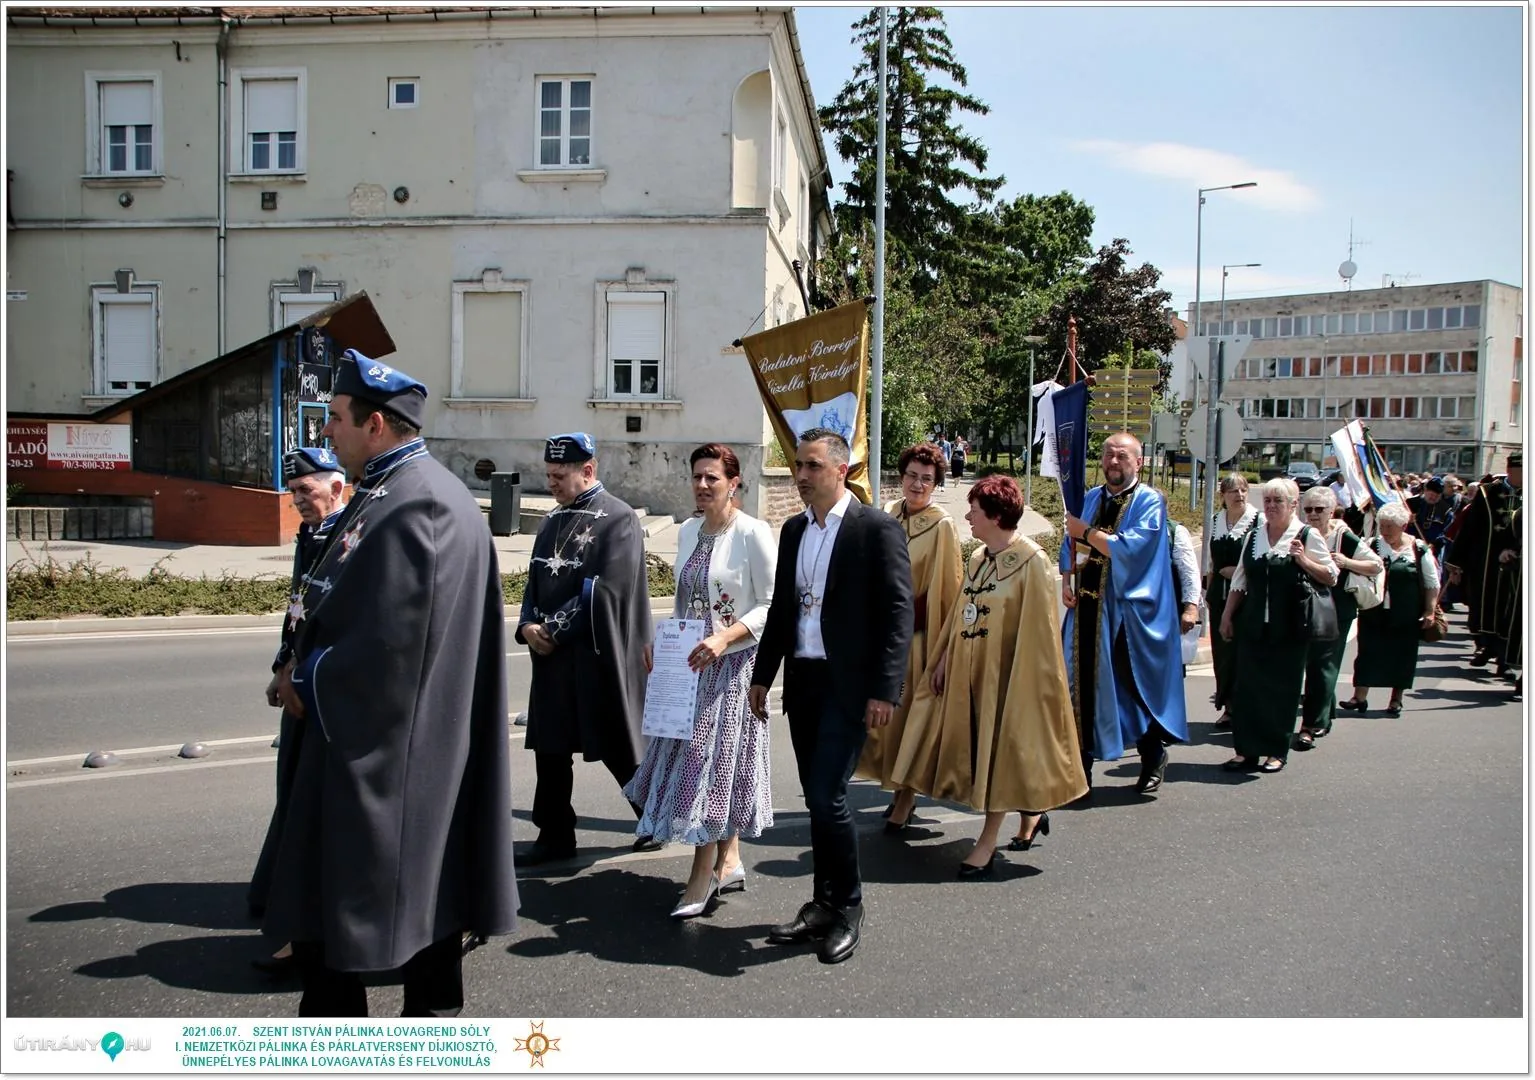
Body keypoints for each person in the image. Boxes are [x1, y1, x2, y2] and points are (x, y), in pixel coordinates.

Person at [265, 350, 518, 1016]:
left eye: (337, 420)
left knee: (389, 926)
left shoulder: (420, 504)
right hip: (374, 749)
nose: (327, 435)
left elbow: (393, 650)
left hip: (391, 761)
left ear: (376, 424)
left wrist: (309, 676)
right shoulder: (388, 491)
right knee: (404, 925)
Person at [748, 428, 914, 965]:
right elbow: (782, 609)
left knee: (828, 796)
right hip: (805, 683)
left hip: (849, 686)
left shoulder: (876, 529)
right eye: (797, 465)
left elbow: (897, 614)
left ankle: (848, 908)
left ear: (841, 471)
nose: (800, 476)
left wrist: (885, 689)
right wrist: (762, 675)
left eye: (812, 466)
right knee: (817, 799)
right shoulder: (795, 530)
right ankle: (822, 902)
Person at [892, 474, 1086, 876]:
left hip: (1008, 679)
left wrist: (1021, 689)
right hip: (969, 677)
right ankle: (1031, 813)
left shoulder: (1032, 563)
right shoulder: (979, 558)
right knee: (983, 752)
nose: (969, 517)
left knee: (1000, 751)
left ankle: (987, 841)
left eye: (976, 512)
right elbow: (960, 614)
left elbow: (1038, 638)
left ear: (996, 517)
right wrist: (943, 660)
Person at [624, 444, 776, 918]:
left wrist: (724, 637)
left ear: (734, 483)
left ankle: (700, 876)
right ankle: (728, 860)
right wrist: (662, 641)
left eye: (712, 477)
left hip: (732, 668)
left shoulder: (753, 533)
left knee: (709, 767)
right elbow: (684, 601)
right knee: (710, 764)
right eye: (696, 477)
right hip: (689, 664)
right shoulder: (689, 530)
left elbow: (772, 605)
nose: (702, 485)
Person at [518, 433, 654, 864]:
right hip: (553, 659)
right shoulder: (550, 522)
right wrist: (525, 626)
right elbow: (533, 583)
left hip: (598, 655)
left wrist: (553, 630)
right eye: (549, 474)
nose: (552, 483)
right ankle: (555, 834)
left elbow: (608, 592)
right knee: (551, 749)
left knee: (617, 743)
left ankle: (654, 817)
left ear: (588, 471)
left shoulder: (619, 519)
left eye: (560, 475)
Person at [248, 446, 347, 977]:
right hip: (299, 680)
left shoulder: (349, 537)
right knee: (292, 792)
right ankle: (283, 899)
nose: (298, 501)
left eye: (306, 492)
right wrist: (281, 664)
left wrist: (300, 673)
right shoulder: (311, 537)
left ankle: (304, 922)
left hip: (323, 689)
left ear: (336, 489)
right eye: (293, 493)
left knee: (313, 803)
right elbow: (298, 609)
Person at [1060, 432, 1189, 795]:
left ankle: (1152, 754)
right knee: (1078, 688)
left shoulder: (1148, 502)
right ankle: (1079, 772)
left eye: (1122, 456)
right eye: (1109, 455)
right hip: (1086, 609)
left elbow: (1131, 548)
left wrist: (1084, 531)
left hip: (1127, 615)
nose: (1114, 462)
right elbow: (1070, 545)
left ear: (1139, 462)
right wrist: (1066, 580)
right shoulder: (1089, 498)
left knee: (1128, 689)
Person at [859, 442, 964, 831]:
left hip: (916, 637)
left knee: (905, 720)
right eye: (912, 476)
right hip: (878, 633)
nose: (917, 484)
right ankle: (897, 788)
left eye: (926, 479)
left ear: (936, 483)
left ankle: (906, 796)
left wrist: (943, 653)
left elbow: (949, 591)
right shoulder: (886, 514)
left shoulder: (942, 525)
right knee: (880, 725)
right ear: (900, 477)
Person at [1218, 478, 1338, 773]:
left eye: (1278, 501)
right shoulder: (1255, 536)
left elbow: (1331, 575)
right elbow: (1241, 579)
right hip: (1254, 624)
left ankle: (1276, 750)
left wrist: (1304, 561)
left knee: (1281, 690)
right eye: (1268, 501)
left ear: (1293, 505)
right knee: (1248, 689)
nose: (1271, 507)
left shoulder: (1306, 535)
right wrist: (1226, 616)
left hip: (1291, 627)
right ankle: (1246, 751)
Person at [1295, 486, 1382, 749]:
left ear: (1331, 511)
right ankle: (1325, 713)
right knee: (1313, 665)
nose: (1312, 514)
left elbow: (1376, 565)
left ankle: (1313, 724)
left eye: (1319, 509)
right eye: (1308, 509)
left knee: (1324, 667)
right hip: (1306, 609)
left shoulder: (1344, 537)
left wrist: (1346, 562)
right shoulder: (1301, 533)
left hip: (1337, 611)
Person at [1339, 500, 1441, 716]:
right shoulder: (1373, 545)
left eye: (1389, 527)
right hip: (1373, 610)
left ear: (1403, 527)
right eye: (1382, 525)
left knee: (1403, 654)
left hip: (1406, 613)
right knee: (1367, 652)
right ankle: (1359, 697)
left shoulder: (1418, 549)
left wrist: (1429, 611)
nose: (1384, 531)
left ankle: (1396, 699)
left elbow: (1432, 583)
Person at [1444, 453, 1522, 672]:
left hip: (1516, 566)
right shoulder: (1488, 493)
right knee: (1483, 605)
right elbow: (1469, 528)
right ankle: (1486, 646)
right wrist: (1456, 560)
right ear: (1509, 471)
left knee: (1510, 610)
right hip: (1485, 562)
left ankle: (1505, 656)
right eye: (1517, 473)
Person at [1206, 474, 1259, 726]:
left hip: (1247, 597)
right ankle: (1228, 706)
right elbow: (1211, 561)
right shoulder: (1216, 521)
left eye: (1243, 490)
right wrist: (1208, 589)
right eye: (1233, 491)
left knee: (1244, 653)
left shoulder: (1258, 521)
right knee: (1223, 653)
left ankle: (1247, 707)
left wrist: (1239, 571)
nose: (1239, 495)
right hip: (1219, 596)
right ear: (1223, 496)